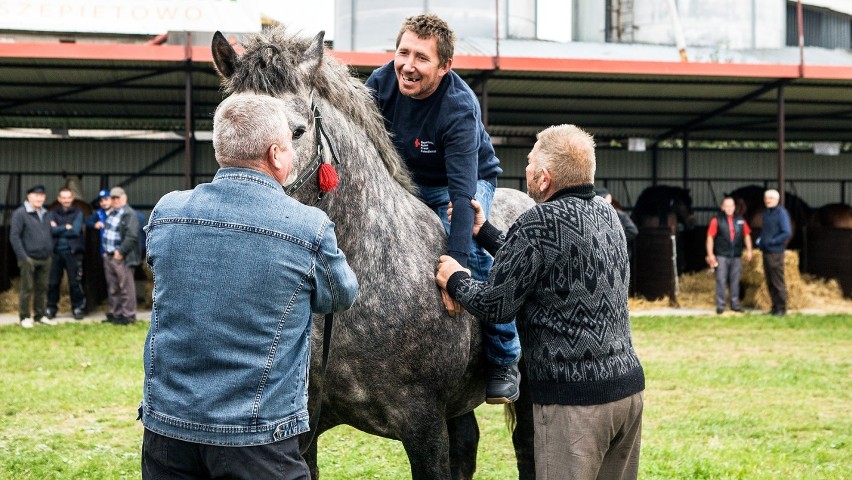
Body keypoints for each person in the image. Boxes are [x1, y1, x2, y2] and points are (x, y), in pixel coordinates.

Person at [139, 93, 359, 479]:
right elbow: (342, 294)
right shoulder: (308, 227)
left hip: (167, 428)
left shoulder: (167, 211)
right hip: (258, 438)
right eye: (290, 148)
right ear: (276, 154)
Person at [436, 125, 645, 480]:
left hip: (574, 406)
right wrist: (485, 231)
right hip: (627, 394)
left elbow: (496, 305)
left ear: (545, 179)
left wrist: (455, 278)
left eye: (530, 163)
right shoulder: (607, 214)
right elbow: (545, 265)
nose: (526, 168)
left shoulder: (538, 221)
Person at [366, 13, 521, 403]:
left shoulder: (458, 107)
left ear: (445, 66)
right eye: (403, 52)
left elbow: (464, 196)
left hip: (461, 184)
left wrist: (457, 265)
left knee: (471, 241)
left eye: (421, 57)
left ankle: (504, 357)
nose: (408, 65)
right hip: (403, 181)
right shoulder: (379, 85)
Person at [10, 185, 55, 328]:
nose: (39, 198)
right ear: (28, 197)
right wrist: (23, 256)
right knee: (26, 288)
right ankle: (24, 317)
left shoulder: (46, 213)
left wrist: (50, 251)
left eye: (41, 196)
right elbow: (14, 236)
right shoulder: (20, 213)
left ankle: (40, 315)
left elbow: (49, 233)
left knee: (42, 288)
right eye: (36, 195)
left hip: (45, 257)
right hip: (28, 257)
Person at [706, 196, 753, 314]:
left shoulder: (741, 220)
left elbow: (747, 235)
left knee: (735, 280)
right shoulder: (716, 220)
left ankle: (735, 305)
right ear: (722, 207)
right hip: (722, 255)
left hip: (736, 255)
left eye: (731, 206)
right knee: (721, 279)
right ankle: (721, 305)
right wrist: (710, 254)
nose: (729, 208)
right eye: (726, 206)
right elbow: (710, 237)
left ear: (734, 207)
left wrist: (749, 250)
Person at [101, 186, 140, 325]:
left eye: (118, 198)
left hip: (121, 257)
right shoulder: (111, 213)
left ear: (124, 198)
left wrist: (121, 251)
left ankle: (129, 316)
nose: (115, 200)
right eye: (113, 198)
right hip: (109, 255)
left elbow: (132, 236)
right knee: (113, 288)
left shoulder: (129, 214)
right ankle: (117, 314)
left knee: (125, 288)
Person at [46, 187, 86, 320]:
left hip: (72, 252)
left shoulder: (78, 213)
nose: (66, 200)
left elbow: (75, 231)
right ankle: (51, 308)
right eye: (63, 197)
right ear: (59, 199)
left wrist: (57, 228)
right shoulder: (52, 213)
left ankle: (77, 308)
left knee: (75, 283)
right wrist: (65, 227)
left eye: (68, 197)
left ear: (72, 198)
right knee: (53, 283)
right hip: (56, 252)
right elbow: (50, 231)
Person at [756, 188, 791, 316]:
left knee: (777, 281)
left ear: (777, 200)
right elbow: (766, 231)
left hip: (775, 252)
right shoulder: (766, 213)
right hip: (766, 251)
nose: (768, 200)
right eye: (766, 198)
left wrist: (772, 242)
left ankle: (782, 308)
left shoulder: (781, 213)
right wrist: (761, 241)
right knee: (770, 280)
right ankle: (775, 307)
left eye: (770, 198)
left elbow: (787, 232)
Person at [595, 187, 638, 260]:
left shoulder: (619, 214)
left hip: (620, 255)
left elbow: (633, 231)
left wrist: (616, 239)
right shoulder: (594, 215)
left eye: (604, 198)